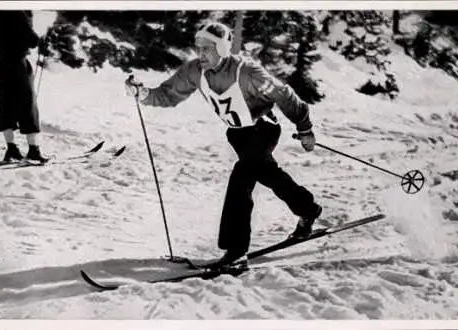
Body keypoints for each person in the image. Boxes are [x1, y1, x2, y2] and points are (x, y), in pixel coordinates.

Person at [126, 22, 322, 268]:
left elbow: (284, 94)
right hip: (239, 136)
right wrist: (142, 94)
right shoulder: (195, 71)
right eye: (199, 49)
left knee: (241, 179)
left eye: (207, 49)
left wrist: (304, 128)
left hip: (263, 130)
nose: (201, 55)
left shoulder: (246, 72)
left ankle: (236, 251)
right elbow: (167, 94)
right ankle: (308, 209)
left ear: (221, 48)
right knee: (268, 174)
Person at [0, 10, 48, 163]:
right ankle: (33, 150)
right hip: (17, 64)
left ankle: (12, 149)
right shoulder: (18, 14)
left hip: (0, 64)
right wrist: (42, 39)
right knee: (28, 103)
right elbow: (32, 40)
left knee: (5, 104)